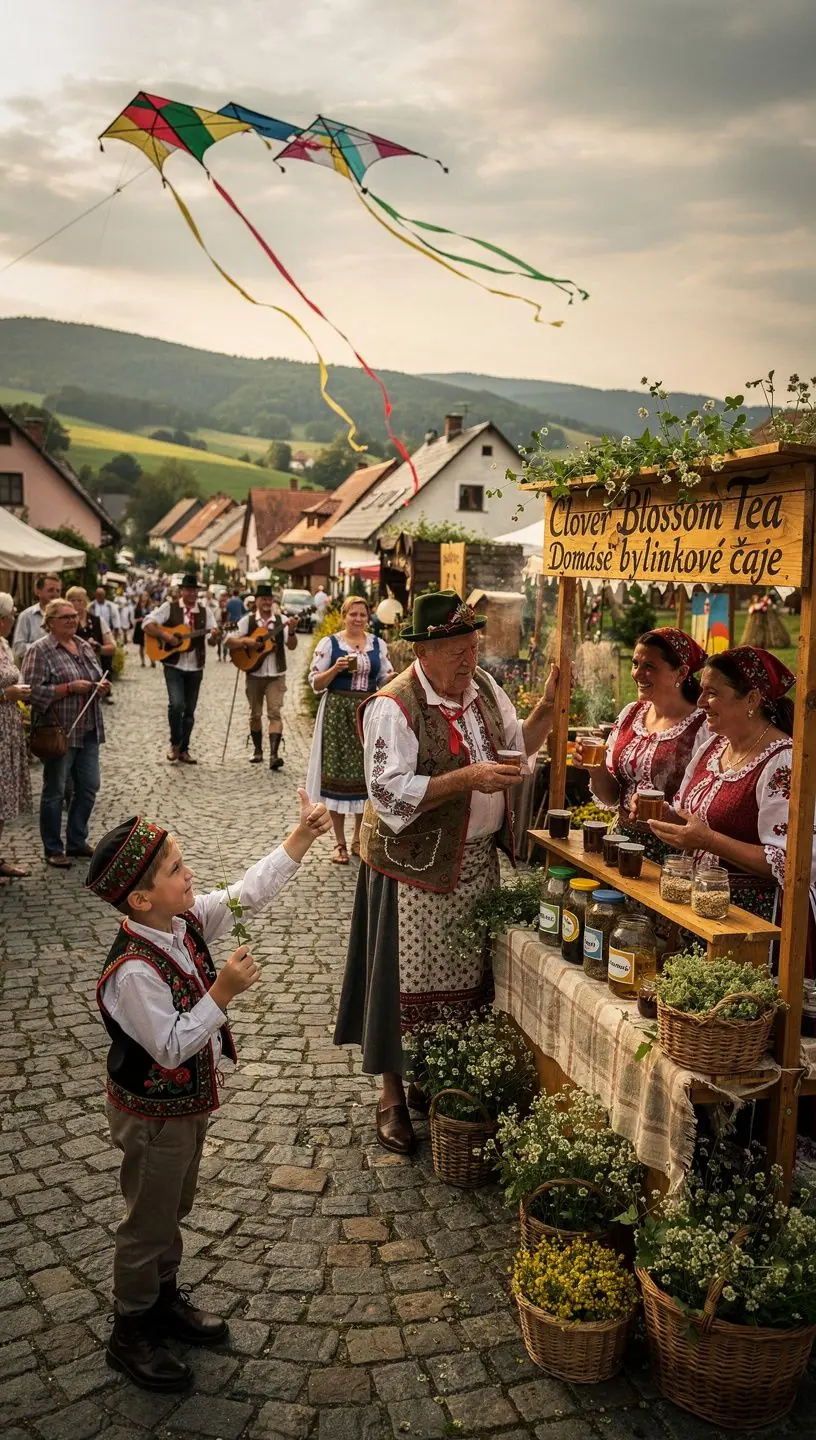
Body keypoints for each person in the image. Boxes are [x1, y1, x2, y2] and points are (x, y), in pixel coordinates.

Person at [87, 792, 332, 1391]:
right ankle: (130, 1330)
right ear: (140, 900)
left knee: (173, 1205)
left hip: (186, 1106)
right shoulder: (134, 971)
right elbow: (171, 1046)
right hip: (152, 1115)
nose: (189, 872)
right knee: (147, 1219)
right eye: (176, 869)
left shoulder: (183, 921)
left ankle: (162, 1298)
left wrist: (300, 837)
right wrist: (220, 992)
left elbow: (247, 893)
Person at [334, 590, 559, 1154]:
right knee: (402, 985)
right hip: (410, 870)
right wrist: (467, 779)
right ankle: (391, 1096)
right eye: (458, 650)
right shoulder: (395, 704)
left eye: (473, 647)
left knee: (465, 983)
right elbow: (387, 794)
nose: (469, 660)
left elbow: (516, 747)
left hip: (474, 863)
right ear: (423, 652)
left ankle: (434, 1081)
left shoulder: (483, 688)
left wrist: (549, 708)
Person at [648, 648, 815, 968]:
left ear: (751, 699)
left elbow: (792, 862)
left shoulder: (783, 762)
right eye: (701, 691)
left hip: (756, 925)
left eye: (712, 693)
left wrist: (709, 840)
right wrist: (661, 815)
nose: (700, 702)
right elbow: (689, 815)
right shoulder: (714, 747)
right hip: (707, 913)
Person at [573, 627, 710, 860]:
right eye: (635, 664)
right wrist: (595, 769)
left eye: (649, 667)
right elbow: (611, 797)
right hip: (620, 844)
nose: (637, 673)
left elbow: (706, 811)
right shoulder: (631, 714)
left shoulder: (703, 728)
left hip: (673, 855)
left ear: (681, 673)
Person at [21, 597, 110, 867]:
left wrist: (100, 687)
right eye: (66, 617)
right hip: (60, 731)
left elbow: (96, 678)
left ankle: (76, 840)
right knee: (55, 790)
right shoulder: (40, 650)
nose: (73, 620)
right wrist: (68, 688)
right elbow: (31, 692)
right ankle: (53, 847)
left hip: (89, 728)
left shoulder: (83, 646)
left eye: (74, 616)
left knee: (89, 786)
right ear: (50, 623)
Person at [306, 595, 393, 862]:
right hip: (337, 714)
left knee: (365, 775)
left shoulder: (378, 644)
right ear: (344, 616)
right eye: (353, 614)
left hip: (366, 712)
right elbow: (316, 683)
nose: (358, 619)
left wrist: (394, 678)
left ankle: (358, 839)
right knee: (336, 775)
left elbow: (384, 679)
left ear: (368, 618)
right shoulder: (330, 644)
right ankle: (339, 843)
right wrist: (335, 668)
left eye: (362, 615)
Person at [143, 575, 217, 765]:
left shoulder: (205, 612)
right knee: (176, 705)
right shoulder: (170, 607)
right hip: (173, 664)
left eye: (194, 590)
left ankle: (184, 749)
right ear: (181, 591)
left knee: (189, 711)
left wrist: (216, 636)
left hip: (195, 666)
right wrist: (166, 636)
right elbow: (147, 623)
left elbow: (212, 640)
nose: (192, 593)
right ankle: (175, 743)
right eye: (188, 589)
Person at [226, 584, 298, 769]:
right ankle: (258, 750)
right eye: (263, 599)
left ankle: (274, 755)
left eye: (269, 599)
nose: (267, 602)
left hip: (276, 674)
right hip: (254, 673)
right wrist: (248, 641)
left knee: (275, 712)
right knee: (255, 714)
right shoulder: (247, 621)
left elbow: (291, 646)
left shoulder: (282, 621)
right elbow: (229, 641)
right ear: (256, 601)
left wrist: (291, 631)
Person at [0, 593, 32, 878]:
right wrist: (5, 694)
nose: (13, 619)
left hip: (8, 728)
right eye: (11, 614)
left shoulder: (3, 644)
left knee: (2, 799)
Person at [69, 586, 117, 704]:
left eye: (79, 600)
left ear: (86, 602)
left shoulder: (97, 621)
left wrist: (98, 649)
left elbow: (112, 648)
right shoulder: (65, 622)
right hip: (71, 671)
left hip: (94, 670)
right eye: (72, 600)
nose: (76, 603)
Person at [12, 572, 62, 663]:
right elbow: (18, 649)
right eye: (51, 590)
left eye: (58, 591)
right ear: (38, 592)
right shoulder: (26, 616)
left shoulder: (65, 616)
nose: (55, 594)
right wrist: (45, 649)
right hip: (36, 665)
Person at [133, 590, 153, 668]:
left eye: (146, 595)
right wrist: (140, 619)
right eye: (143, 595)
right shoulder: (137, 607)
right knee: (141, 646)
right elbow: (135, 619)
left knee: (149, 645)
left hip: (148, 627)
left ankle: (152, 660)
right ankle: (143, 661)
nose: (144, 597)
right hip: (140, 628)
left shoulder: (150, 607)